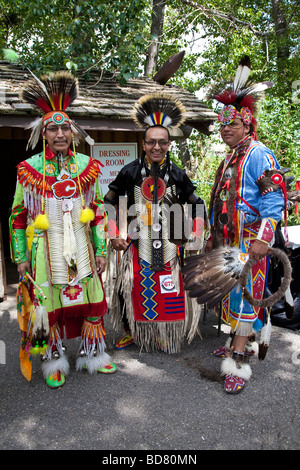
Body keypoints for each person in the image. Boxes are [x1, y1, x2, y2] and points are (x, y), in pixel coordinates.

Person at [9, 71, 116, 388]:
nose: (59, 133)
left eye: (64, 127)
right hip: (45, 249)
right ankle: (54, 361)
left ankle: (93, 354)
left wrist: (100, 250)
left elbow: (97, 212)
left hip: (81, 246)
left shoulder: (87, 166)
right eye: (52, 128)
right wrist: (21, 257)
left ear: (73, 131)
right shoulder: (30, 170)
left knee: (91, 299)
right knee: (48, 305)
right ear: (44, 133)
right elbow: (17, 214)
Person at [206, 56, 288, 393]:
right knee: (233, 296)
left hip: (251, 242)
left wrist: (263, 240)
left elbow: (275, 202)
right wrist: (212, 236)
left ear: (248, 124)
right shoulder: (229, 157)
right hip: (229, 242)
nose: (226, 129)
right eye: (223, 124)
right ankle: (238, 342)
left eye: (233, 124)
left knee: (246, 297)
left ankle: (237, 363)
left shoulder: (259, 155)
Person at [104, 93, 207, 353]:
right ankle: (134, 332)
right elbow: (109, 202)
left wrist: (195, 236)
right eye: (152, 142)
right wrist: (115, 232)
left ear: (169, 144)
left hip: (172, 247)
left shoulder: (177, 174)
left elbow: (198, 204)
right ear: (143, 143)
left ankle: (164, 334)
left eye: (162, 142)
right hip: (137, 245)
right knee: (132, 289)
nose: (156, 147)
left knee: (169, 290)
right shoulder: (129, 172)